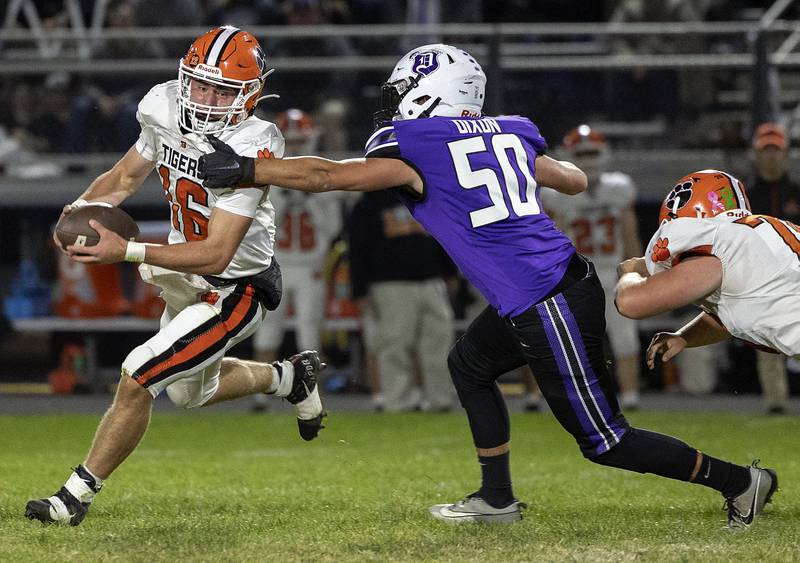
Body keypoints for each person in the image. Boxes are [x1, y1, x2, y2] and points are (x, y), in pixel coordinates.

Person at [198, 44, 776, 529]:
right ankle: (496, 500)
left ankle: (742, 482)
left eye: (402, 94)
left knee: (607, 441)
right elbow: (573, 181)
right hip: (544, 285)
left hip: (547, 297)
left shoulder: (419, 147)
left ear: (431, 94)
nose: (394, 107)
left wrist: (251, 169)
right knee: (469, 365)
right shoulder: (511, 131)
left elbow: (329, 176)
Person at [25, 26, 325, 527]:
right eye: (199, 85)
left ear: (249, 95)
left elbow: (217, 251)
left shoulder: (255, 141)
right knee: (189, 391)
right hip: (182, 276)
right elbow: (123, 178)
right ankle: (289, 377)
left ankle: (72, 497)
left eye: (222, 90)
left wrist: (131, 250)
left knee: (140, 374)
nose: (205, 99)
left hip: (235, 286)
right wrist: (83, 207)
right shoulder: (162, 105)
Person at [615, 168, 800, 390]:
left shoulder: (719, 243)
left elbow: (631, 303)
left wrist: (631, 272)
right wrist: (684, 336)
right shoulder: (759, 236)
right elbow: (730, 312)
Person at [542, 125, 643, 409]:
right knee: (576, 341)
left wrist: (637, 272)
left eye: (592, 152)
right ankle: (583, 397)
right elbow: (555, 237)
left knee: (624, 337)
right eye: (582, 153)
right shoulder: (557, 194)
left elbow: (629, 234)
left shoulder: (618, 187)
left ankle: (631, 395)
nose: (588, 158)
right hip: (579, 275)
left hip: (613, 272)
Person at [250, 109, 342, 410]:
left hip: (310, 265)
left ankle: (312, 396)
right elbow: (257, 224)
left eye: (301, 140)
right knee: (268, 327)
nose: (298, 147)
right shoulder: (268, 177)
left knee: (309, 329)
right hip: (277, 263)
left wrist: (310, 202)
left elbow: (332, 229)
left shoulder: (322, 174)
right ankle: (261, 394)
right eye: (292, 141)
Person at [348, 189, 457, 412]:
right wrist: (360, 290)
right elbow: (357, 248)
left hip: (431, 279)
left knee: (439, 340)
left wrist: (449, 271)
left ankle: (440, 399)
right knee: (395, 343)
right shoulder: (369, 202)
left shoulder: (425, 195)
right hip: (390, 283)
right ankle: (397, 402)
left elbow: (444, 235)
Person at [745, 123, 800, 413]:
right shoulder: (747, 195)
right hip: (764, 276)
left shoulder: (796, 191)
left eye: (775, 151)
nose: (771, 157)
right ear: (757, 154)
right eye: (766, 151)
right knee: (768, 340)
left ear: (785, 154)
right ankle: (776, 401)